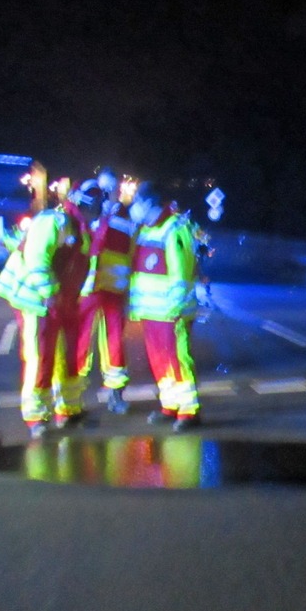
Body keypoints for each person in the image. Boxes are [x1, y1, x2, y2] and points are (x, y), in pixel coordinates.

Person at [0, 180, 102, 437]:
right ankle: (36, 416)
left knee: (68, 353)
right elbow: (37, 260)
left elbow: (80, 267)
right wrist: (50, 294)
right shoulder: (53, 222)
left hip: (61, 300)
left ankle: (69, 408)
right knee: (41, 355)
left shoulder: (80, 229)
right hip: (35, 300)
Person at [128, 181, 202, 432]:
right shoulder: (147, 230)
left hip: (172, 312)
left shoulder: (174, 229)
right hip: (152, 312)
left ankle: (188, 411)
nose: (134, 206)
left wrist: (177, 308)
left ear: (149, 203)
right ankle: (170, 405)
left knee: (178, 359)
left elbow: (180, 274)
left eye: (137, 201)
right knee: (159, 361)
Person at [76, 167, 135, 414]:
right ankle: (72, 398)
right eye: (104, 190)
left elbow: (132, 253)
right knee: (79, 344)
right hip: (89, 290)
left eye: (110, 189)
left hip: (113, 291)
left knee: (114, 344)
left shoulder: (124, 217)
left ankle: (115, 394)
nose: (107, 194)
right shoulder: (87, 213)